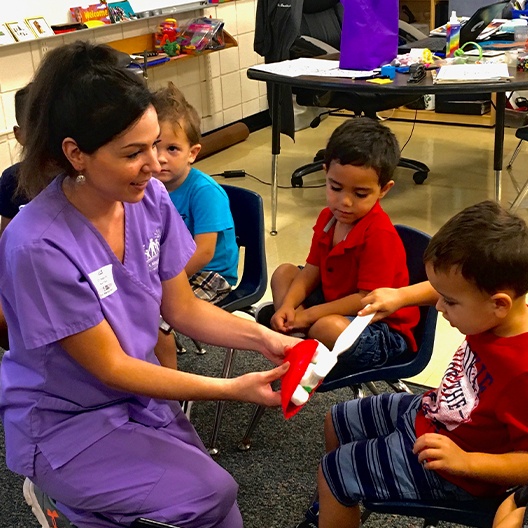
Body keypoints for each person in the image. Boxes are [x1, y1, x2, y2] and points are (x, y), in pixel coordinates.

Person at [0, 41, 300, 528]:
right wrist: (231, 387)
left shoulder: (149, 199)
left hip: (134, 400)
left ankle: (89, 511)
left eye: (157, 144)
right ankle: (70, 507)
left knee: (222, 509)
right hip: (65, 422)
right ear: (76, 154)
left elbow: (182, 310)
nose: (155, 163)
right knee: (207, 494)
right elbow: (111, 366)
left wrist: (265, 338)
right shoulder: (36, 245)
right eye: (133, 152)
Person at [296, 201, 528, 528]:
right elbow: (446, 286)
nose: (439, 306)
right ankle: (336, 501)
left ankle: (338, 489)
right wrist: (400, 297)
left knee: (333, 471)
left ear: (499, 304)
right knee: (337, 418)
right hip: (432, 413)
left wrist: (467, 462)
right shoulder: (489, 313)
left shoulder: (522, 372)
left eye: (450, 301)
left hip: (454, 471)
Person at [257, 117, 419, 371]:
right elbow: (312, 268)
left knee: (326, 327)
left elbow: (366, 299)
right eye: (335, 187)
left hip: (380, 327)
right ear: (326, 173)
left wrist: (309, 314)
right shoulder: (327, 218)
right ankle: (293, 331)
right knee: (284, 273)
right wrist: (289, 306)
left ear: (384, 190)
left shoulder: (379, 234)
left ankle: (297, 332)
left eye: (360, 194)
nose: (344, 202)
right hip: (335, 301)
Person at [152, 81, 239, 305]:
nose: (160, 158)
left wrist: (167, 281)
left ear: (192, 153)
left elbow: (204, 253)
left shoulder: (205, 193)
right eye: (153, 146)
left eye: (172, 149)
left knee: (161, 315)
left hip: (211, 275)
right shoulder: (148, 187)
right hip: (171, 269)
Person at [0, 83, 31, 235]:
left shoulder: (76, 173)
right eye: (33, 130)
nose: (43, 139)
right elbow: (6, 239)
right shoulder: (11, 180)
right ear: (19, 135)